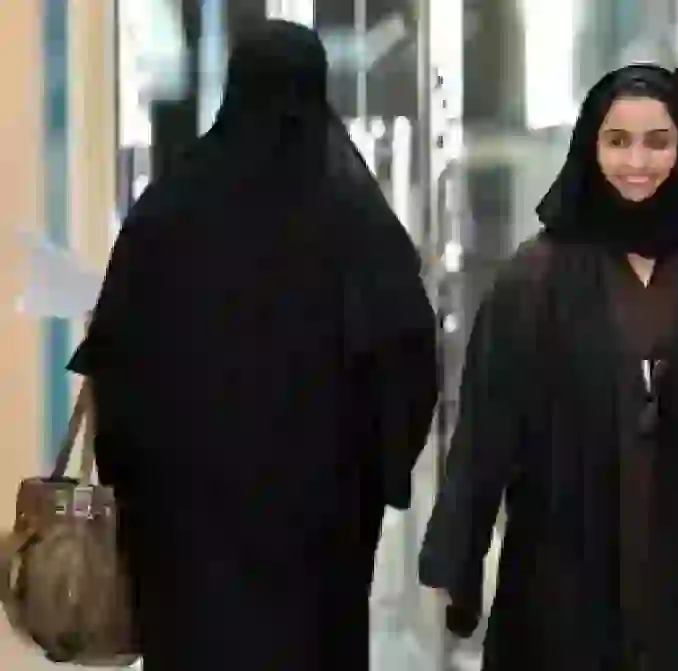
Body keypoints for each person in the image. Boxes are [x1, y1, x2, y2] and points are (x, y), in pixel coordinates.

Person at [66, 21, 438, 671]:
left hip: (185, 541)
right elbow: (407, 366)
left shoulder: (167, 213)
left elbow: (115, 366)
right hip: (319, 544)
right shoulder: (356, 223)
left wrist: (139, 486)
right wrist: (370, 478)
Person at [418, 64, 678, 670]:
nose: (638, 162)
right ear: (590, 146)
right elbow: (487, 426)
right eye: (618, 141)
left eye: (658, 141)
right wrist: (457, 555)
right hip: (569, 571)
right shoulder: (539, 273)